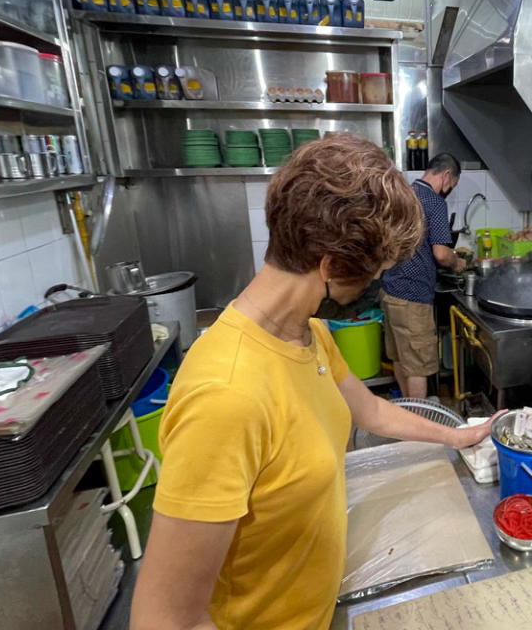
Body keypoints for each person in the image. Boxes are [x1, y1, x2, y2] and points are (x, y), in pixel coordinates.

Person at [131, 136, 501, 630]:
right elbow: (164, 621)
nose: (373, 283)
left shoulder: (311, 334)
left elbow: (370, 412)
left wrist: (458, 435)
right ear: (329, 264)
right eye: (372, 272)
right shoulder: (226, 395)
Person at [381, 153, 466, 399]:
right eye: (453, 185)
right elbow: (441, 254)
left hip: (390, 291)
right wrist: (457, 262)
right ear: (447, 175)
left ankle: (409, 411)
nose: (449, 190)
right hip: (414, 298)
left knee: (400, 358)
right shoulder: (434, 202)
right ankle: (419, 423)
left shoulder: (403, 194)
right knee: (418, 366)